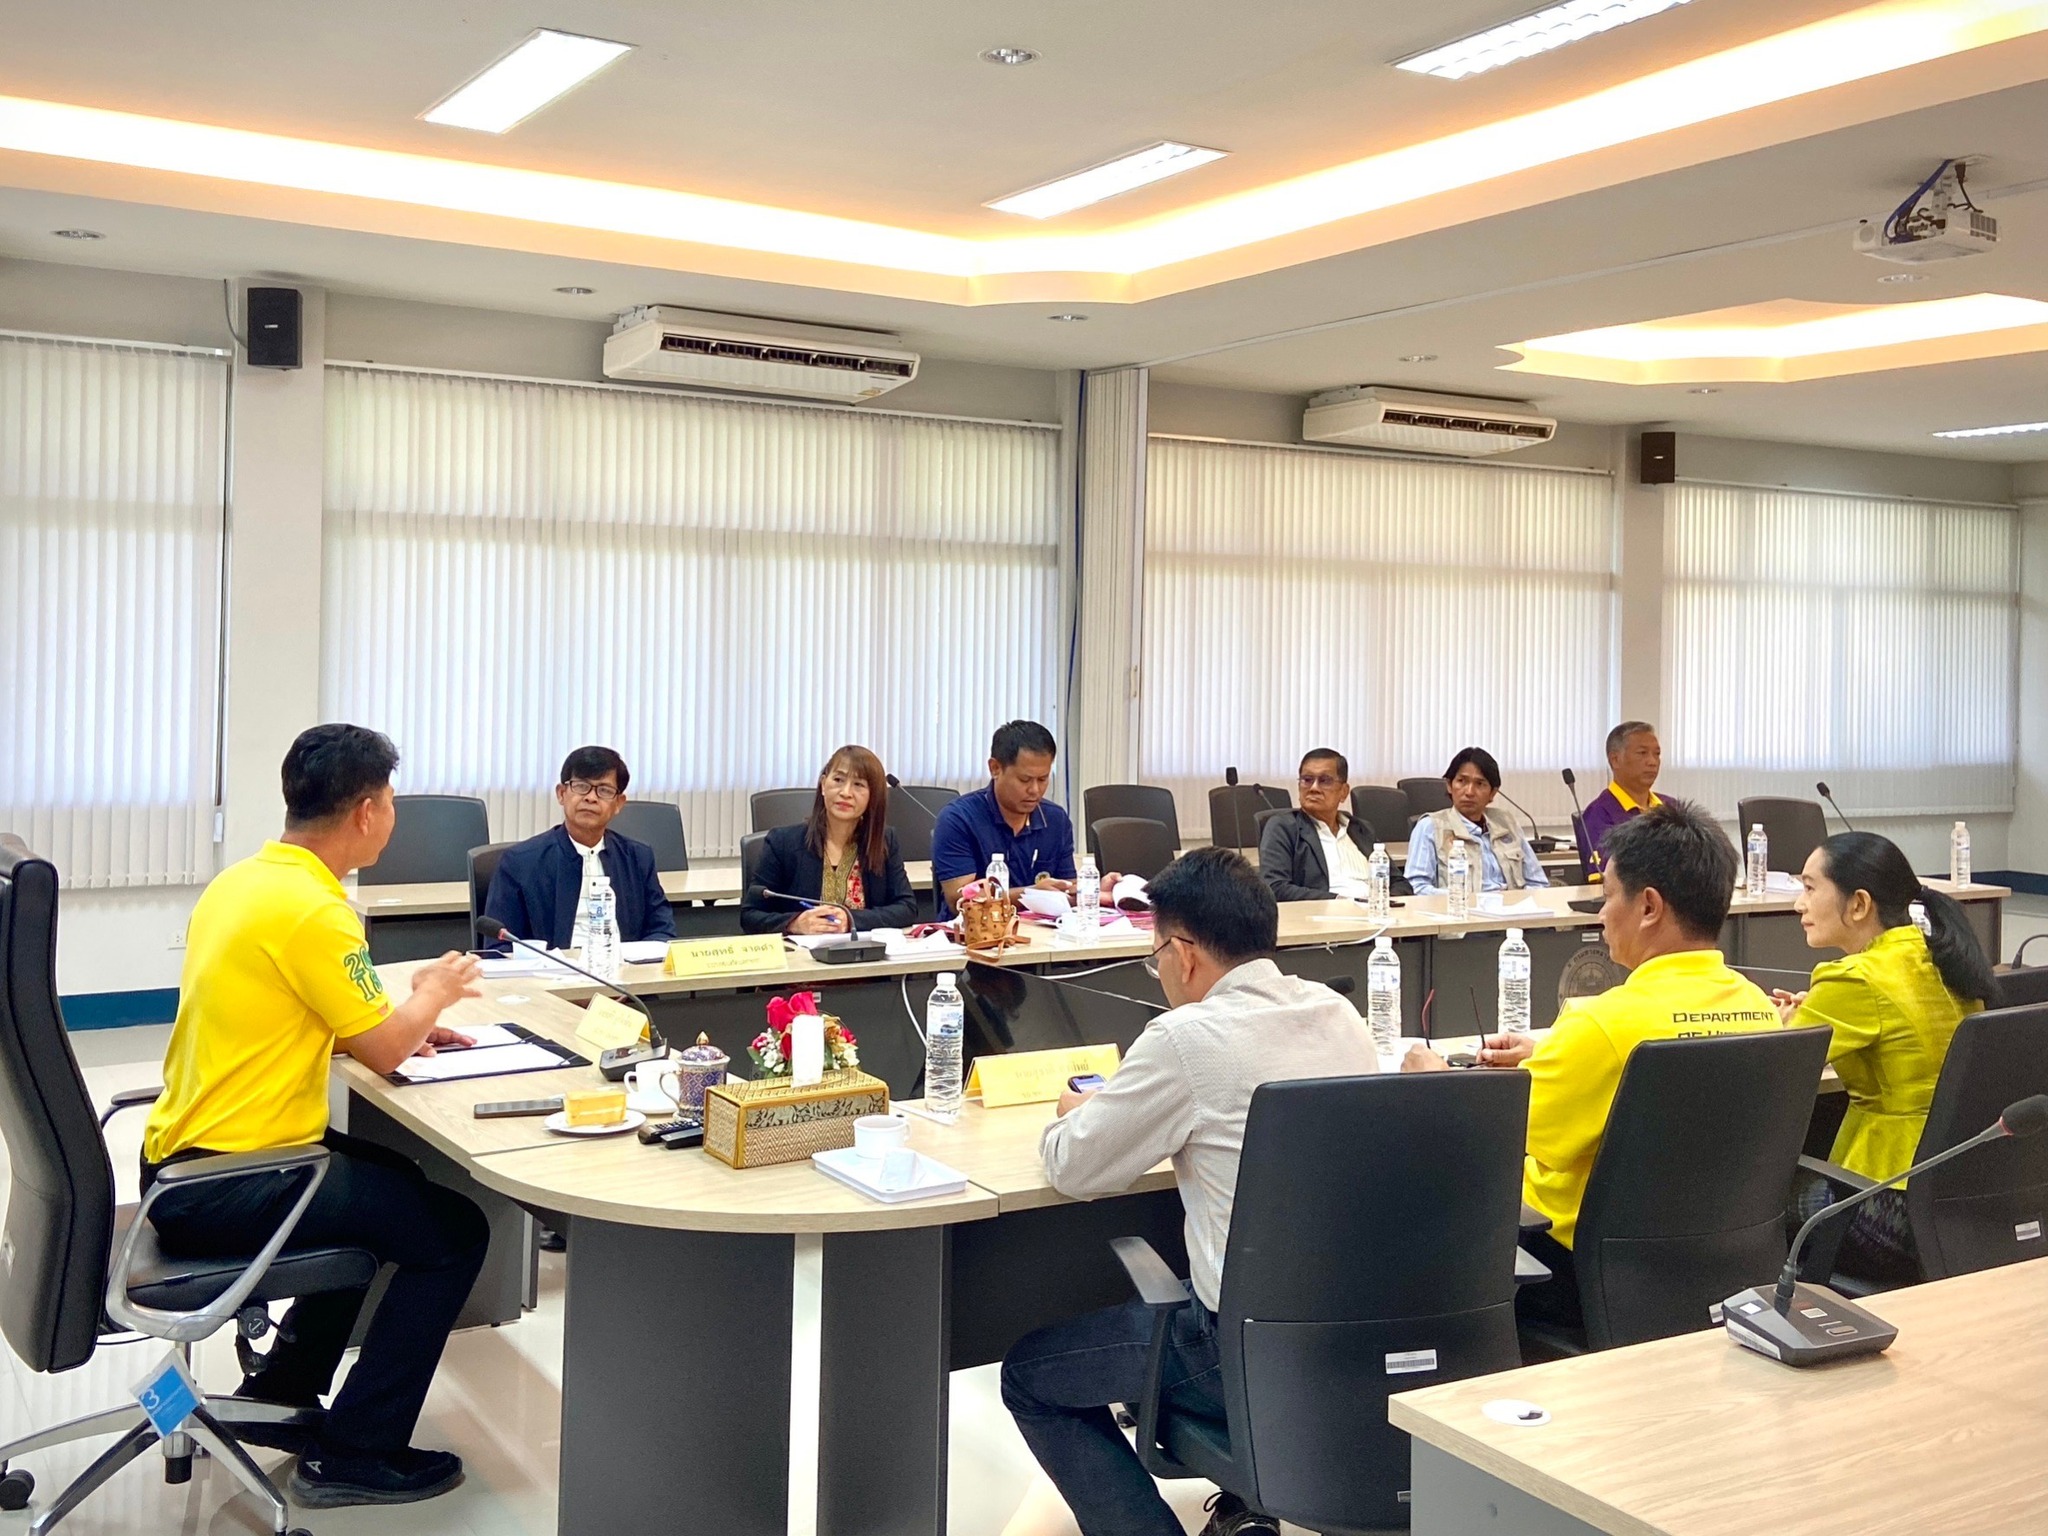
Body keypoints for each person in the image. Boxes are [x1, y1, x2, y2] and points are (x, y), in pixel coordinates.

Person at [141, 724, 489, 1508]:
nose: (392, 814)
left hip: (187, 1161)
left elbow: (298, 1013)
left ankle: (283, 1387)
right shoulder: (315, 910)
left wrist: (402, 1023)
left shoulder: (245, 882)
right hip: (231, 1181)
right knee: (455, 1232)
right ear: (365, 812)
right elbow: (384, 1052)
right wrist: (431, 996)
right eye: (391, 801)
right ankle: (355, 1454)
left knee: (395, 1180)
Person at [1001, 849, 1376, 1536]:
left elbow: (1074, 1168)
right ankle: (1249, 1509)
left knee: (1030, 1376)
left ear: (1182, 952)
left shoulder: (1184, 1038)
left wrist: (1074, 1113)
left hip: (1237, 1355)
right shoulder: (1339, 1013)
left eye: (1156, 959)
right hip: (1362, 1339)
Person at [1405, 802, 1779, 1326]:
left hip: (1576, 1276)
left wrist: (1434, 1082)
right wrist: (1551, 1055)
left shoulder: (1602, 1024)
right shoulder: (1759, 1008)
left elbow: (1488, 1136)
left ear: (1648, 907)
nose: (1601, 914)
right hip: (1718, 1268)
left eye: (1607, 895)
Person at [1772, 832, 1996, 1283]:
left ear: (1858, 905)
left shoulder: (1856, 978)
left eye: (1810, 888)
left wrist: (1784, 1022)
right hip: (1959, 1198)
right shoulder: (1941, 956)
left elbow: (1775, 1071)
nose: (1799, 904)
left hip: (1884, 1206)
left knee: (1754, 1205)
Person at [483, 745, 677, 950]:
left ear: (619, 803)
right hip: (550, 969)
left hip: (623, 966)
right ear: (561, 794)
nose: (591, 798)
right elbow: (499, 948)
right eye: (581, 786)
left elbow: (662, 930)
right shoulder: (520, 861)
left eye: (604, 790)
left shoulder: (637, 858)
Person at [741, 745, 918, 933]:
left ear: (872, 795)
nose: (846, 793)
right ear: (823, 785)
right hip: (801, 951)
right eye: (838, 780)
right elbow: (750, 915)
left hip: (862, 949)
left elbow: (907, 908)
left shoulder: (884, 842)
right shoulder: (782, 842)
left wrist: (851, 920)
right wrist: (795, 923)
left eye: (858, 785)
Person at [931, 721, 1079, 917]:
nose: (1035, 790)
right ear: (995, 768)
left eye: (1043, 779)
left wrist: (1097, 890)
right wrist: (1031, 894)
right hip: (975, 932)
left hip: (1042, 930)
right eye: (1025, 780)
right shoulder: (958, 819)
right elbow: (960, 900)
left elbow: (1068, 888)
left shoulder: (1056, 819)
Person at [1258, 748, 1409, 903]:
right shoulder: (1284, 828)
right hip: (1322, 913)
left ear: (1343, 792)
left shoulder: (1360, 829)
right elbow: (1275, 887)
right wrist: (1342, 901)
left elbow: (1399, 883)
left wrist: (1385, 903)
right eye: (1307, 780)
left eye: (1324, 781)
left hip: (1376, 911)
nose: (1314, 788)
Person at [1404, 747, 1551, 896]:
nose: (1469, 792)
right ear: (1449, 785)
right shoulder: (1430, 827)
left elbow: (1538, 883)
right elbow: (1417, 888)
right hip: (1461, 908)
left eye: (1480, 784)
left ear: (1492, 793)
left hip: (1511, 908)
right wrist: (1464, 899)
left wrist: (1519, 901)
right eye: (1461, 781)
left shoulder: (1507, 823)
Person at [1576, 721, 1665, 880]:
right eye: (1642, 753)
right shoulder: (1599, 814)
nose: (1652, 761)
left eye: (1657, 754)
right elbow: (1607, 878)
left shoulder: (1671, 807)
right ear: (1615, 760)